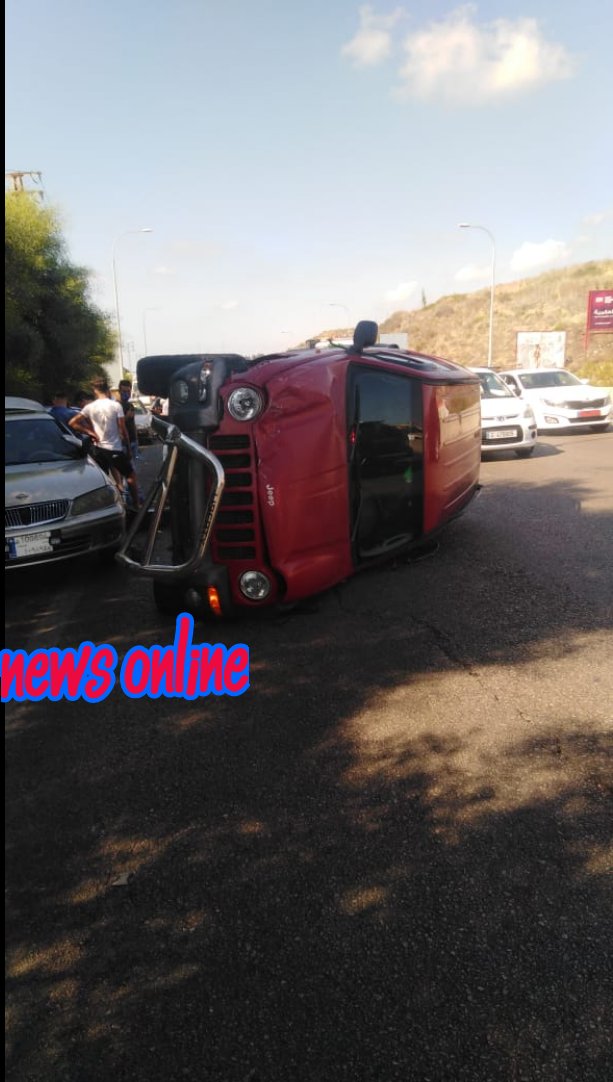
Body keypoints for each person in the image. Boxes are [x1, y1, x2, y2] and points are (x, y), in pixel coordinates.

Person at [69, 377, 141, 509]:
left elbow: (73, 423)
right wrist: (128, 449)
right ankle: (136, 504)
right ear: (107, 390)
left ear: (94, 391)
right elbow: (122, 429)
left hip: (98, 449)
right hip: (114, 448)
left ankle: (104, 506)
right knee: (130, 475)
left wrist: (90, 432)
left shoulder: (89, 407)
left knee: (102, 480)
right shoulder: (115, 406)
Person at [118, 378, 140, 461]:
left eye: (128, 391)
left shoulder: (130, 405)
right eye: (124, 391)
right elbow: (117, 424)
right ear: (119, 391)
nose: (126, 394)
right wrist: (126, 417)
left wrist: (136, 439)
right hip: (123, 443)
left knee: (134, 464)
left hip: (133, 440)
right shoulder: (117, 406)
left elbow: (133, 423)